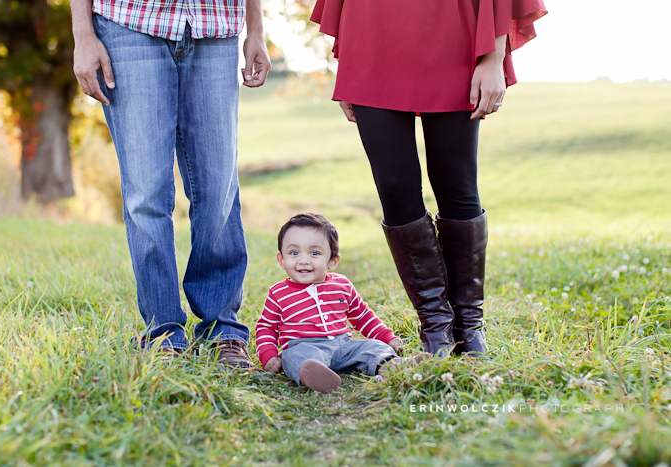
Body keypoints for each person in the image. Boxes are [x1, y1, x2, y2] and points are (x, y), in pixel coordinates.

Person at [310, 0, 547, 357]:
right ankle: (435, 325)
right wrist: (348, 61)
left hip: (454, 33)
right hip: (371, 37)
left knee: (457, 185)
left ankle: (469, 327)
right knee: (394, 189)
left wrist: (493, 57)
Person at [69, 0, 271, 367]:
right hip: (128, 21)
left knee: (218, 187)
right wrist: (83, 34)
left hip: (217, 24)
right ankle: (162, 332)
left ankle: (222, 328)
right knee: (146, 193)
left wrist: (255, 28)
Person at [256, 213, 426, 392]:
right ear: (282, 260)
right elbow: (266, 327)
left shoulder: (341, 285)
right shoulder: (278, 293)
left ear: (332, 261)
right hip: (305, 346)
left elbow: (362, 316)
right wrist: (268, 355)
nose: (303, 260)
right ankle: (316, 376)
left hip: (343, 345)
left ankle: (391, 366)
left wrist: (387, 337)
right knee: (296, 356)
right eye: (293, 253)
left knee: (371, 347)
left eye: (314, 253)